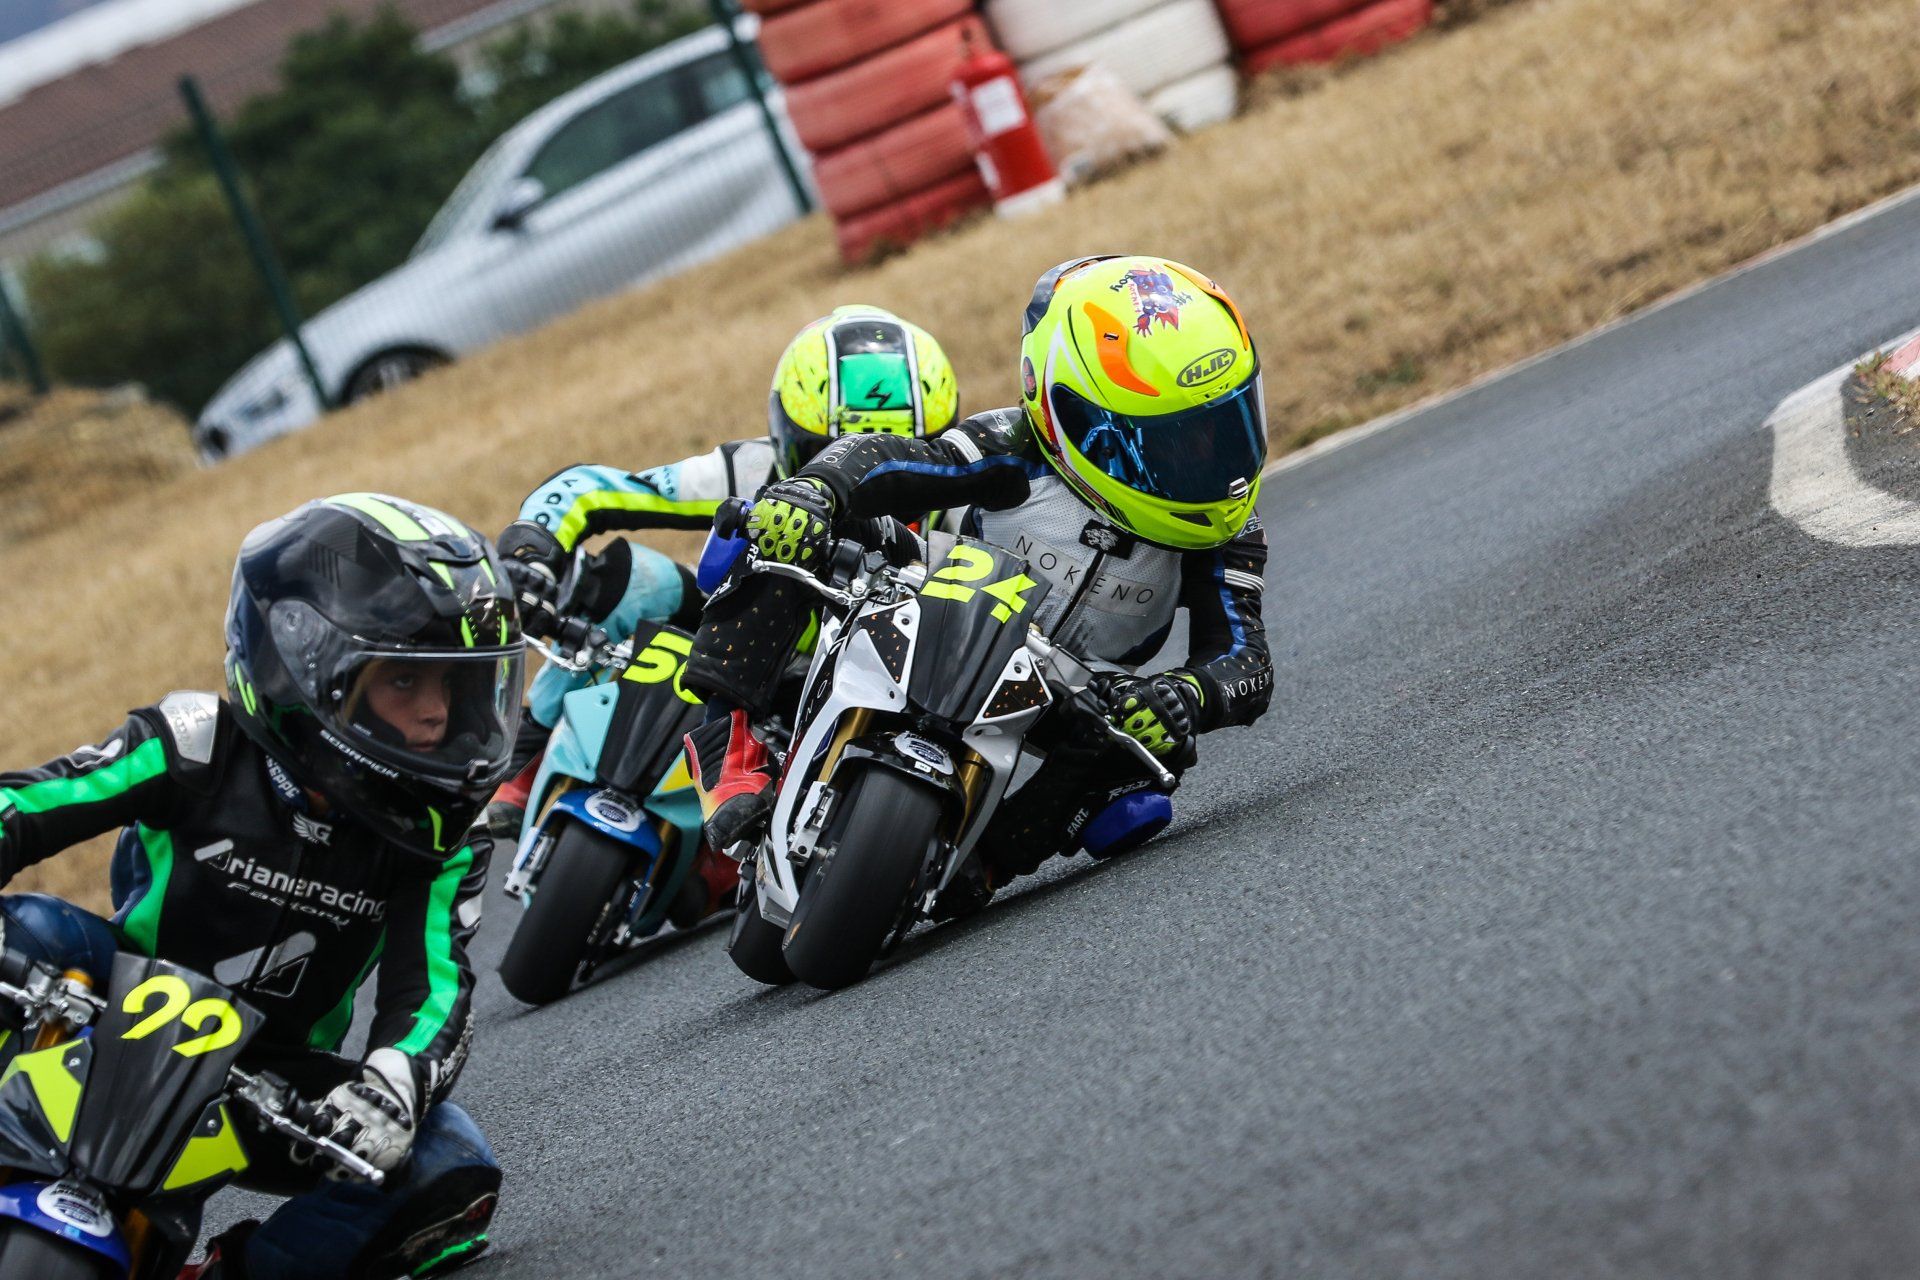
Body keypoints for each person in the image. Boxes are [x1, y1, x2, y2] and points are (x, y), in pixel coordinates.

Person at [0, 494, 521, 1279]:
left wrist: (391, 1085)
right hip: (108, 1002)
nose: (435, 716)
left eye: (451, 686)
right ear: (308, 669)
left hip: (265, 1078)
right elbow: (27, 805)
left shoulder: (443, 831)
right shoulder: (193, 745)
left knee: (449, 1156)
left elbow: (432, 990)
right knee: (34, 928)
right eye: (404, 681)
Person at [682, 256, 1274, 906]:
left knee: (1143, 776)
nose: (1212, 460)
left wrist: (1187, 696)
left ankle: (985, 862)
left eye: (1226, 426)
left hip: (1071, 690)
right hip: (937, 601)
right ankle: (728, 746)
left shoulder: (1226, 527)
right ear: (1080, 419)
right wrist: (816, 489)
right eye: (1177, 440)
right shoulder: (1017, 445)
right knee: (784, 528)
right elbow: (893, 454)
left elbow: (1246, 660)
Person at [485, 305, 961, 842]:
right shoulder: (751, 469)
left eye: (895, 460)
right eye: (829, 453)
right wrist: (529, 552)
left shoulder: (968, 507)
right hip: (734, 651)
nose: (859, 477)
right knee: (630, 580)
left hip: (873, 684)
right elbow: (587, 489)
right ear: (786, 436)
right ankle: (527, 753)